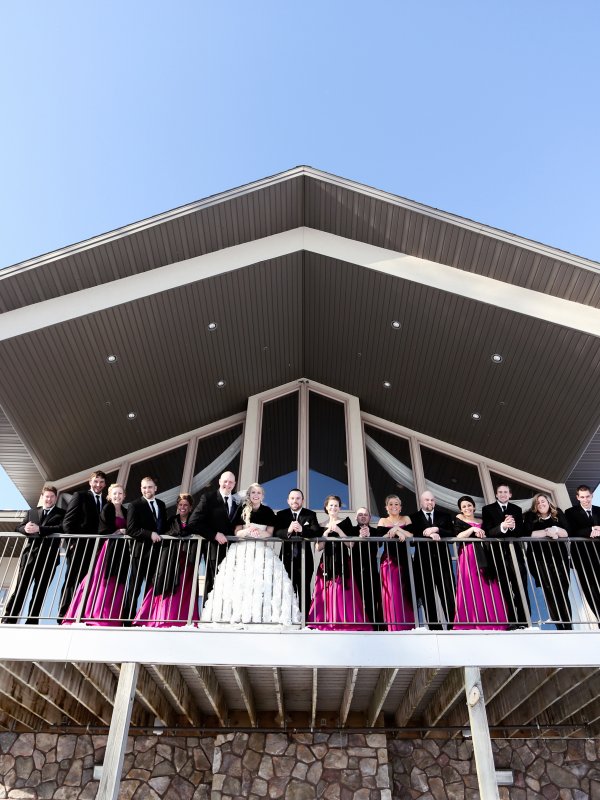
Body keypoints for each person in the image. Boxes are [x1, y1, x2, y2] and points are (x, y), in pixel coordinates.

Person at [202, 483, 301, 625]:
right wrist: (247, 531)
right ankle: (236, 617)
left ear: (262, 495)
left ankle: (262, 618)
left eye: (258, 493)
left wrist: (259, 532)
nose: (256, 495)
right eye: (253, 492)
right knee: (240, 584)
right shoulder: (242, 509)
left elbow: (269, 533)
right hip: (243, 549)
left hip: (261, 550)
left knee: (263, 583)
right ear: (249, 494)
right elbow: (237, 532)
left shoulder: (267, 511)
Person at [62, 483, 130, 626]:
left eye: (120, 493)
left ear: (124, 496)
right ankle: (95, 614)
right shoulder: (107, 508)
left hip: (122, 552)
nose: (117, 496)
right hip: (108, 549)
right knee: (103, 580)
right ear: (110, 496)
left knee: (117, 582)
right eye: (114, 493)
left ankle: (111, 617)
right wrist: (116, 532)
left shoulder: (126, 511)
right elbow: (102, 530)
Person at [307, 495, 372, 631]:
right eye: (331, 505)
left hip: (342, 560)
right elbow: (318, 548)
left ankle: (345, 621)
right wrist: (325, 534)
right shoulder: (321, 524)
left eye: (336, 505)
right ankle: (324, 622)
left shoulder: (346, 522)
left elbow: (351, 544)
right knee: (325, 591)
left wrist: (338, 531)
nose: (333, 508)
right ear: (326, 508)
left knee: (342, 591)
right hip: (327, 561)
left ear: (339, 508)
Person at [135, 493, 200, 627]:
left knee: (185, 592)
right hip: (170, 561)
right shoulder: (171, 520)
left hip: (187, 563)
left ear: (191, 507)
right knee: (165, 586)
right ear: (177, 506)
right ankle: (162, 617)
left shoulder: (195, 521)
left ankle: (183, 620)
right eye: (180, 505)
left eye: (186, 505)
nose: (183, 507)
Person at [3, 485, 64, 624]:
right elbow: (17, 527)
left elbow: (62, 528)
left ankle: (32, 620)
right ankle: (9, 618)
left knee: (40, 591)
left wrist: (40, 529)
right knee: (20, 588)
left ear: (55, 498)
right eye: (46, 496)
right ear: (42, 497)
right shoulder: (32, 512)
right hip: (30, 556)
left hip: (49, 558)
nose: (48, 499)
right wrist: (25, 528)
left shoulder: (62, 513)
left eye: (51, 496)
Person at [453, 495, 508, 630]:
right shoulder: (459, 519)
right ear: (461, 509)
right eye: (464, 507)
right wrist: (472, 529)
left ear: (474, 506)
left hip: (484, 554)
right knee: (471, 585)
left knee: (487, 584)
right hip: (468, 555)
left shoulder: (481, 520)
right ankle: (471, 620)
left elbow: (489, 533)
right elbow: (458, 536)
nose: (467, 508)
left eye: (469, 505)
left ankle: (494, 619)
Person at [58, 470, 107, 620]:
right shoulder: (80, 496)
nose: (98, 484)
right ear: (90, 482)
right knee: (72, 579)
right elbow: (68, 522)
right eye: (95, 481)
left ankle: (80, 613)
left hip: (96, 549)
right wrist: (71, 543)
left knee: (89, 581)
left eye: (101, 482)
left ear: (104, 484)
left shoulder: (106, 502)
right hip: (79, 545)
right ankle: (64, 613)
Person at [482, 484, 529, 628]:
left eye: (505, 492)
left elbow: (521, 531)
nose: (503, 494)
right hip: (498, 555)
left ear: (510, 495)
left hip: (515, 553)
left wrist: (513, 526)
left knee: (521, 586)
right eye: (500, 492)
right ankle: (512, 621)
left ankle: (525, 621)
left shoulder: (516, 509)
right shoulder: (487, 509)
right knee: (505, 588)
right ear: (496, 494)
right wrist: (503, 526)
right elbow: (488, 531)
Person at [523, 493, 571, 630]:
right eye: (537, 503)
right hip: (540, 560)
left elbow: (567, 532)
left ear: (548, 502)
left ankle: (568, 626)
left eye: (543, 501)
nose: (541, 504)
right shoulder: (531, 517)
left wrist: (555, 529)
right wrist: (547, 532)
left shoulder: (558, 513)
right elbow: (527, 533)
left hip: (559, 559)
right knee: (550, 591)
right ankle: (559, 626)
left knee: (562, 590)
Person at [123, 476, 168, 622]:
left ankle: (145, 618)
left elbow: (164, 526)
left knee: (151, 588)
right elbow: (131, 529)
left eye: (149, 487)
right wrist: (150, 534)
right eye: (144, 487)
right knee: (134, 588)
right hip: (140, 552)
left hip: (157, 553)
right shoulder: (134, 505)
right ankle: (128, 620)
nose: (146, 490)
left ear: (155, 488)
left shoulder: (161, 504)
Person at [187, 471, 236, 601]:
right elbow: (193, 522)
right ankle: (207, 618)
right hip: (213, 549)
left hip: (232, 551)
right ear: (219, 481)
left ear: (234, 484)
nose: (228, 484)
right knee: (212, 582)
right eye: (225, 481)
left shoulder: (237, 503)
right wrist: (214, 534)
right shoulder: (208, 498)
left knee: (228, 585)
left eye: (231, 482)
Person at [409, 491, 456, 629]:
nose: (429, 502)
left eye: (432, 500)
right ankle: (435, 628)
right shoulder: (413, 517)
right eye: (426, 500)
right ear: (421, 501)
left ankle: (454, 626)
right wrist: (427, 533)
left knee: (448, 594)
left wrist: (437, 529)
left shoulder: (444, 516)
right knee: (427, 595)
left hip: (443, 562)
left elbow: (452, 533)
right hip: (423, 563)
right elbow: (412, 539)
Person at [274, 488, 321, 615]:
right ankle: (288, 618)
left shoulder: (310, 514)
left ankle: (304, 621)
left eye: (298, 498)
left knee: (304, 590)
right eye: (293, 498)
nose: (295, 501)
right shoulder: (281, 515)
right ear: (288, 501)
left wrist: (302, 530)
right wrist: (288, 530)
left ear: (302, 500)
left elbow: (317, 532)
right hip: (286, 559)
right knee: (287, 590)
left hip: (305, 560)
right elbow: (276, 532)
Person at [376, 496, 415, 630]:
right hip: (389, 562)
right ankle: (392, 625)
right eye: (391, 504)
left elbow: (412, 535)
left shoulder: (406, 519)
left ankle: (408, 626)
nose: (394, 506)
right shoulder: (382, 520)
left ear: (400, 507)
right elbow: (379, 538)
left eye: (397, 504)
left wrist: (397, 530)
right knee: (391, 594)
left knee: (406, 593)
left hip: (405, 561)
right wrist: (394, 531)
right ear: (386, 507)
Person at [566, 485, 600, 621]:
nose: (585, 500)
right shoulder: (570, 512)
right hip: (583, 557)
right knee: (591, 589)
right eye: (582, 497)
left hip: (598, 555)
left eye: (587, 496)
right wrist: (591, 529)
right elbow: (571, 531)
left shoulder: (599, 510)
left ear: (591, 496)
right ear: (577, 498)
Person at [350, 507, 384, 629]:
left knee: (372, 599)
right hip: (355, 570)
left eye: (365, 514)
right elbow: (348, 545)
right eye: (360, 514)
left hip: (371, 570)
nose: (363, 516)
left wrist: (369, 536)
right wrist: (359, 536)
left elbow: (380, 544)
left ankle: (375, 627)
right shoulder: (351, 530)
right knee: (356, 600)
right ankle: (358, 626)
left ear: (369, 517)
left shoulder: (376, 531)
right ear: (356, 517)